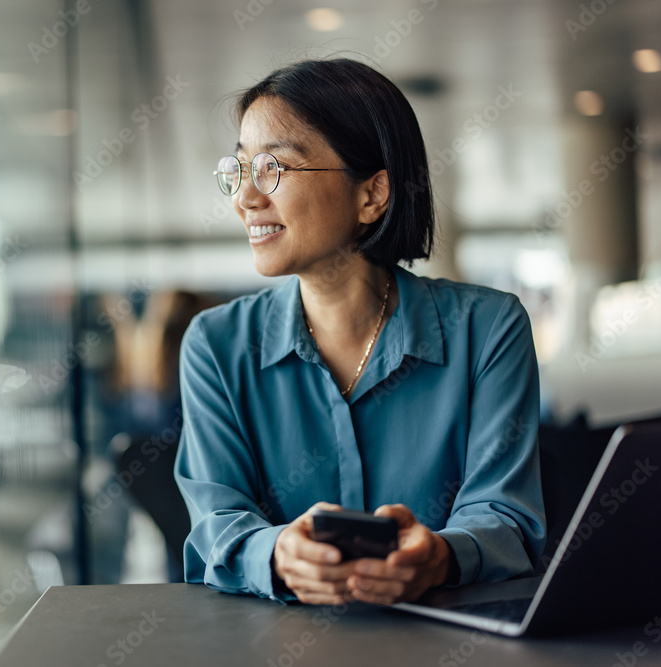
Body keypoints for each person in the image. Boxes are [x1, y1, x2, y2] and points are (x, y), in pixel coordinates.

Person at [174, 59, 546, 606]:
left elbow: (504, 514)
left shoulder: (487, 330)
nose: (245, 199)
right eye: (240, 170)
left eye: (273, 168)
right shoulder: (215, 345)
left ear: (373, 194)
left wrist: (439, 557)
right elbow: (218, 519)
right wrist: (278, 553)